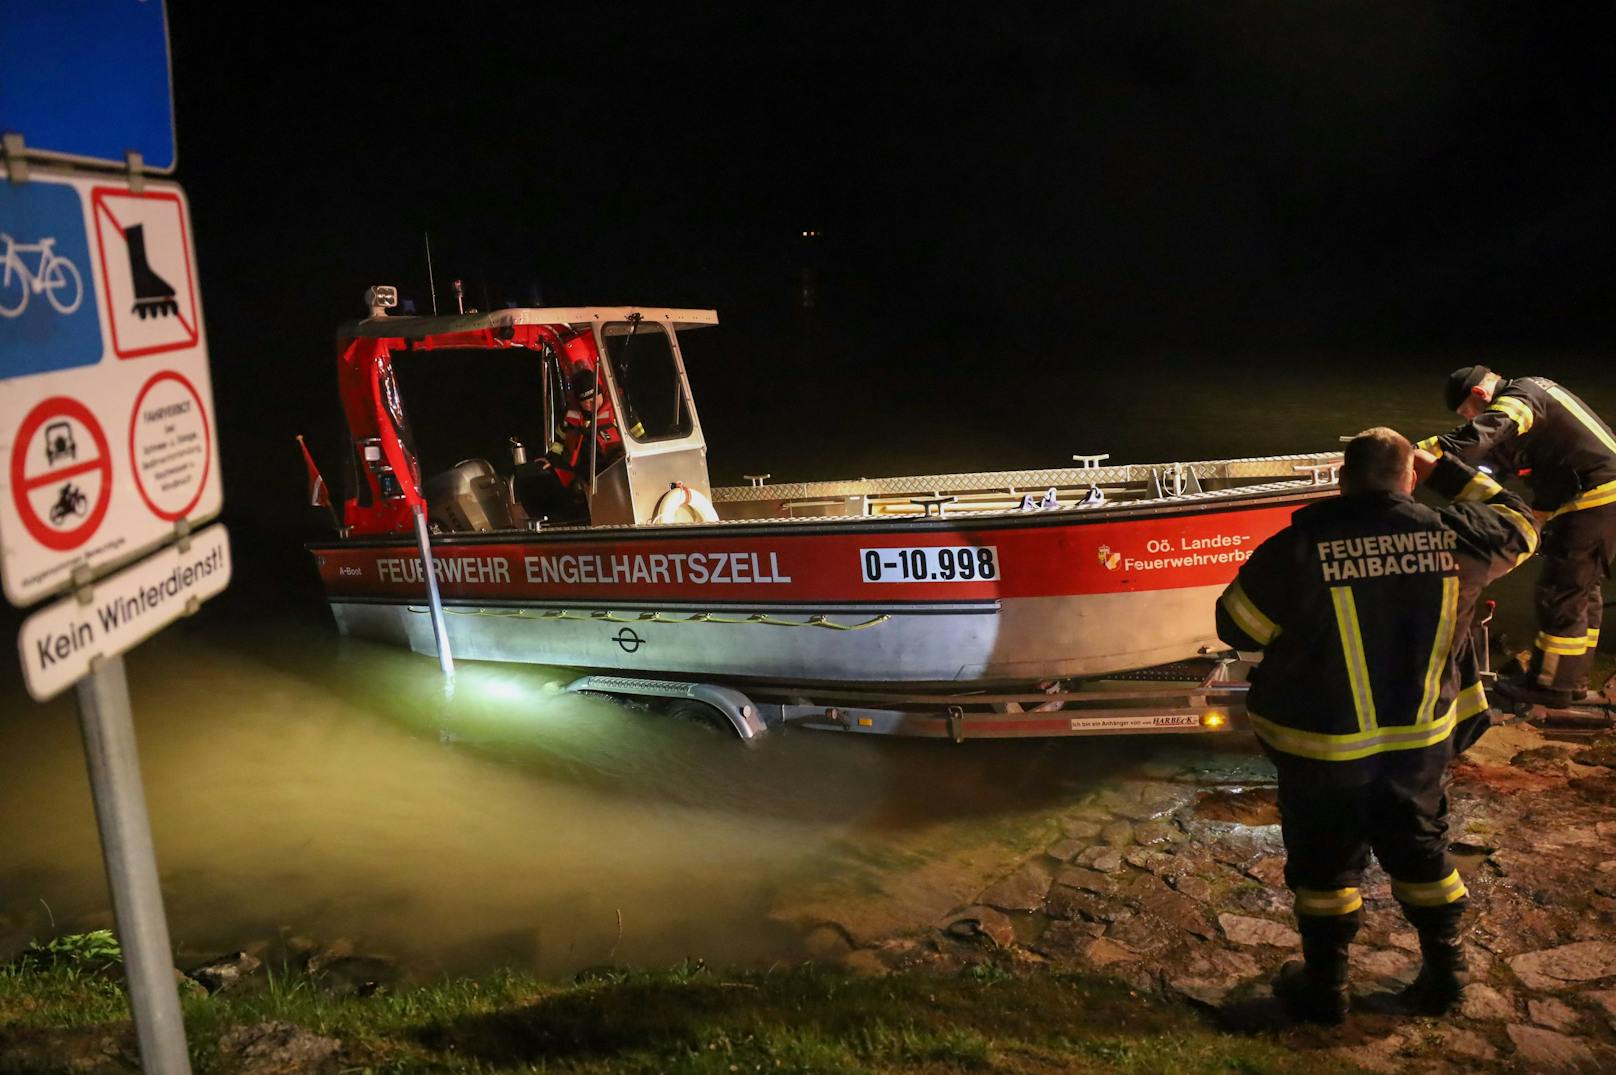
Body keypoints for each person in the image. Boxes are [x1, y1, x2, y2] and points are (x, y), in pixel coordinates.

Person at [1216, 428, 1538, 1023]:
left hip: (1321, 743)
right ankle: (1446, 981)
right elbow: (1521, 518)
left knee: (1323, 867)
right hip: (1418, 741)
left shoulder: (1298, 547)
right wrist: (1442, 468)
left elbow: (1238, 628)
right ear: (1408, 477)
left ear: (1342, 479)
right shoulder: (1459, 537)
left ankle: (1327, 990)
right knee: (1421, 853)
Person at [1420, 366, 1616, 705]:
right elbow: (1498, 462)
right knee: (1581, 591)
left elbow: (1482, 435)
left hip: (1594, 498)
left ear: (1480, 395)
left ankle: (1550, 688)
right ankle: (1571, 679)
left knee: (1561, 592)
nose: (1474, 419)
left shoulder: (1521, 398)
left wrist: (1417, 452)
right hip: (1593, 497)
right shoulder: (1534, 394)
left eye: (1470, 413)